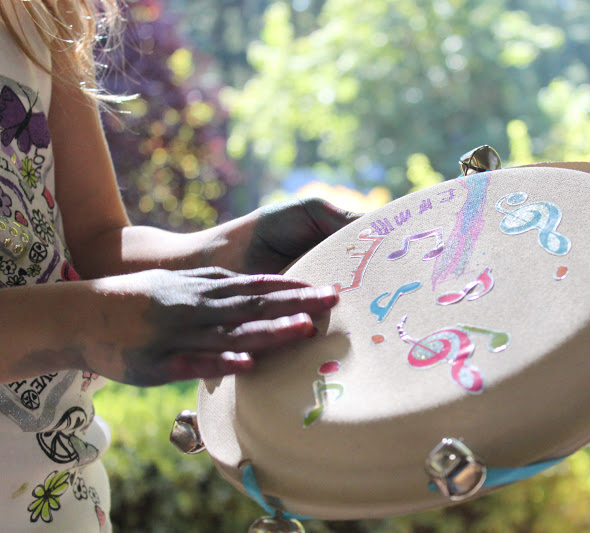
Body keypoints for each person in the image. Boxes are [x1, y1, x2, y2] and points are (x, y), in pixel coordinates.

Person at [0, 0, 357, 530]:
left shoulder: (34, 12)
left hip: (60, 501)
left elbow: (94, 240)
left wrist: (230, 251)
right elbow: (90, 305)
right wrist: (91, 323)